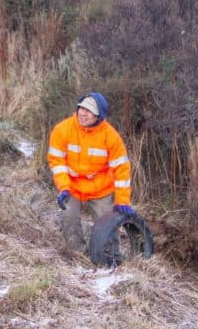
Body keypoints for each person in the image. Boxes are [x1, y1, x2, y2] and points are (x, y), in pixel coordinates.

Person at [47, 92, 135, 252]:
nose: (83, 113)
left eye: (89, 111)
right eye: (81, 108)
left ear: (98, 116)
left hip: (100, 188)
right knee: (69, 216)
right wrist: (64, 187)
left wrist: (122, 200)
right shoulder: (62, 130)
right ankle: (78, 254)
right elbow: (56, 161)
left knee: (107, 224)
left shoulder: (111, 136)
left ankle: (110, 257)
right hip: (72, 186)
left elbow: (122, 169)